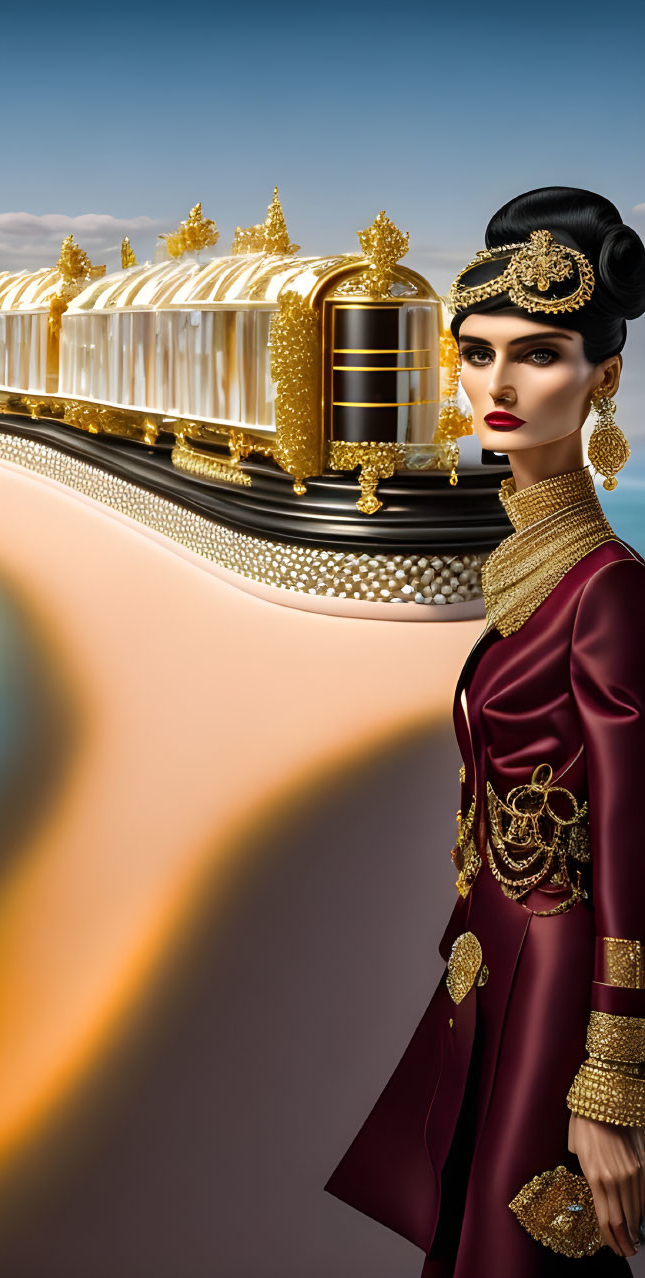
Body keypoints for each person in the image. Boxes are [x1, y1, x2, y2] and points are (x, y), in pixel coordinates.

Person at [325, 187, 645, 1275]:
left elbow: (632, 848)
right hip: (492, 957)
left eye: (540, 354)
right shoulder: (529, 564)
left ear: (601, 376)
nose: (497, 386)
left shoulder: (605, 592)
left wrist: (607, 1084)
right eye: (475, 353)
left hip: (558, 980)